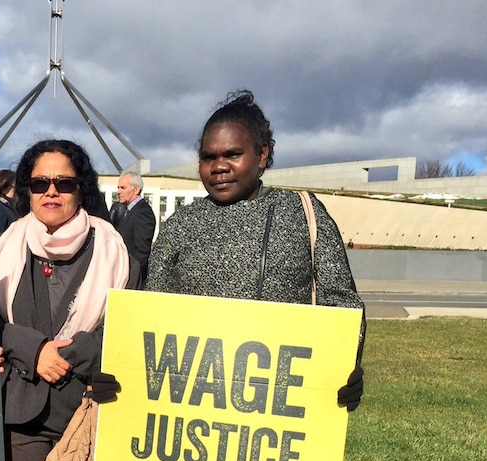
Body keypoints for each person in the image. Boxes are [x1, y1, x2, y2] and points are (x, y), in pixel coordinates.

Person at [145, 89, 364, 411]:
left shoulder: (302, 213)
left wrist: (345, 364)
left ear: (262, 155)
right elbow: (151, 316)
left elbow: (342, 304)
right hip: (193, 401)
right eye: (208, 157)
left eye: (232, 154)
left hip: (283, 402)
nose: (218, 167)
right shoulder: (181, 224)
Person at [0, 139, 139, 461]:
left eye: (63, 182)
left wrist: (79, 351)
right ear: (26, 189)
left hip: (86, 409)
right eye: (39, 183)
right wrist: (32, 349)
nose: (50, 192)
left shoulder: (114, 250)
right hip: (24, 413)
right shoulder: (4, 247)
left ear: (81, 189)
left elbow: (131, 322)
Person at [114, 171, 156, 285]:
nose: (118, 191)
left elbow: (141, 253)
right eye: (118, 187)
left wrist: (131, 280)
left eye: (122, 188)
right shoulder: (129, 211)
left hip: (131, 281)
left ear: (136, 190)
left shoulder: (143, 213)